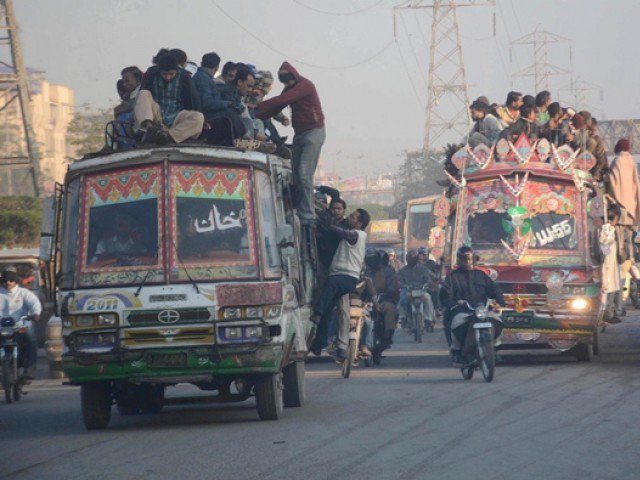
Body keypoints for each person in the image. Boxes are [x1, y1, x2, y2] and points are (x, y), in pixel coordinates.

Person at [256, 62, 325, 224]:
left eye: (288, 81)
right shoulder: (292, 87)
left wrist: (258, 108)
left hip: (313, 133)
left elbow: (282, 100)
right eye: (284, 82)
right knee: (295, 175)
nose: (286, 84)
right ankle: (297, 209)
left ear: (294, 77)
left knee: (304, 174)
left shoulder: (305, 86)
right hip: (300, 134)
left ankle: (307, 214)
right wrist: (258, 113)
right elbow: (278, 105)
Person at [310, 209, 370, 361]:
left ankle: (317, 313)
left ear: (359, 223)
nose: (348, 218)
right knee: (329, 311)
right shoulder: (352, 233)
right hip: (342, 276)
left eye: (352, 217)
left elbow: (342, 233)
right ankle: (320, 343)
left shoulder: (358, 234)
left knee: (329, 289)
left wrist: (328, 224)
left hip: (345, 276)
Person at [440, 246, 505, 362]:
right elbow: (445, 294)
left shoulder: (481, 275)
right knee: (455, 325)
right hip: (462, 311)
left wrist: (500, 301)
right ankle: (456, 350)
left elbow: (494, 289)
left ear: (474, 259)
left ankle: (494, 347)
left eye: (469, 259)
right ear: (459, 260)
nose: (467, 262)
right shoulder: (452, 277)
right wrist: (454, 304)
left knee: (498, 321)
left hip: (482, 310)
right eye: (464, 259)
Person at [135, 53, 204, 144]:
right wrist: (151, 125)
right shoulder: (151, 74)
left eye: (171, 74)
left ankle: (168, 137)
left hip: (176, 117)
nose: (167, 77)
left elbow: (194, 100)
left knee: (198, 117)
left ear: (176, 70)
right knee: (143, 93)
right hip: (157, 117)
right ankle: (150, 130)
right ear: (159, 71)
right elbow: (142, 101)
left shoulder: (184, 76)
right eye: (164, 74)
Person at [192, 52, 247, 144]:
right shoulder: (203, 79)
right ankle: (243, 140)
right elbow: (207, 103)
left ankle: (240, 140)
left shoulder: (202, 77)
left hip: (203, 114)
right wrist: (227, 104)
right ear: (217, 67)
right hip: (205, 115)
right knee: (230, 113)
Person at [0, 268, 42, 380]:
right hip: (2, 327)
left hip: (21, 325)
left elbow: (34, 303)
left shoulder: (24, 293)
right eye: (5, 280)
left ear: (16, 281)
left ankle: (30, 370)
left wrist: (35, 313)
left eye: (11, 280)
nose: (8, 283)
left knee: (31, 340)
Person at [364, 249, 399, 351]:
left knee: (390, 309)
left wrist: (382, 296)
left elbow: (392, 288)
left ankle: (388, 335)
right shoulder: (365, 271)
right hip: (366, 302)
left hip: (383, 300)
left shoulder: (388, 271)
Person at [397, 250, 435, 330]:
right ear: (408, 260)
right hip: (409, 292)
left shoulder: (423, 269)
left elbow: (428, 279)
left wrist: (429, 283)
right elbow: (399, 280)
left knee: (428, 298)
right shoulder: (403, 270)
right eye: (411, 260)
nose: (412, 261)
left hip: (421, 291)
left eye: (414, 260)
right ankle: (402, 317)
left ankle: (428, 319)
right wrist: (401, 285)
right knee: (402, 301)